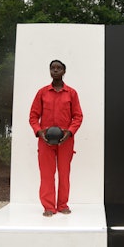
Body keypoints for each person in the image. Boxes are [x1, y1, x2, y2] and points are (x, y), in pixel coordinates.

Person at [29, 59, 83, 217]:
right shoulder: (42, 92)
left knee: (64, 173)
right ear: (49, 71)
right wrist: (39, 132)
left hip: (66, 140)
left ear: (64, 71)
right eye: (53, 68)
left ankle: (62, 204)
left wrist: (70, 132)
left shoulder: (71, 93)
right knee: (46, 174)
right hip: (45, 140)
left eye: (59, 68)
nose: (56, 70)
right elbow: (33, 116)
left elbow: (78, 116)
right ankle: (49, 207)